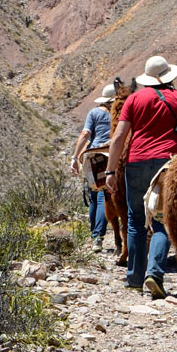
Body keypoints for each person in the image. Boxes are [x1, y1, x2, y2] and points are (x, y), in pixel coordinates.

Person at [106, 55, 177, 299]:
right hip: (169, 165)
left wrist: (111, 171)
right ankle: (154, 273)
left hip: (136, 163)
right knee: (163, 221)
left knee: (135, 221)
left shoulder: (134, 99)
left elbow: (119, 137)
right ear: (169, 76)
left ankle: (134, 278)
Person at [70, 84, 115, 251]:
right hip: (112, 155)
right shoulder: (118, 115)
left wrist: (75, 157)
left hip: (94, 156)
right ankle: (99, 236)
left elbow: (85, 134)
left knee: (94, 197)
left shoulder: (94, 113)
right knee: (105, 197)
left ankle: (95, 236)